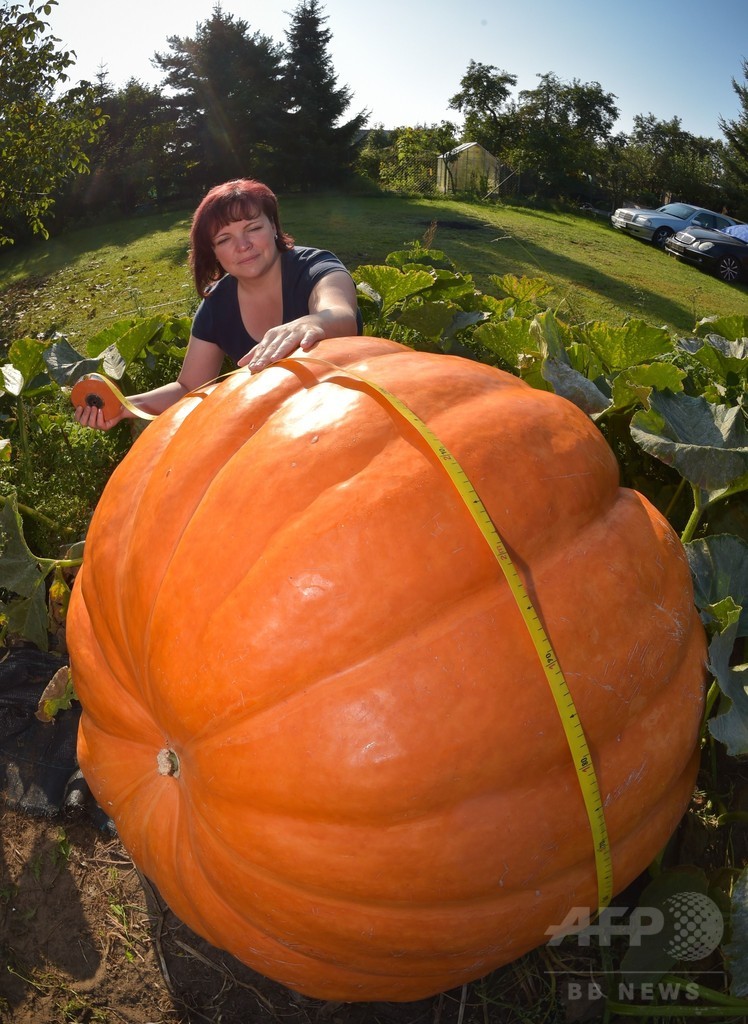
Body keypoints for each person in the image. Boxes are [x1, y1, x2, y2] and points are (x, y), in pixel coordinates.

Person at [75, 178, 362, 430]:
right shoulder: (217, 305)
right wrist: (126, 405)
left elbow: (341, 314)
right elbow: (189, 387)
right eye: (225, 239)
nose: (243, 245)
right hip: (280, 428)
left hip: (348, 407)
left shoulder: (316, 267)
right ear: (213, 252)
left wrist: (314, 322)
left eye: (252, 228)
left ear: (273, 226)